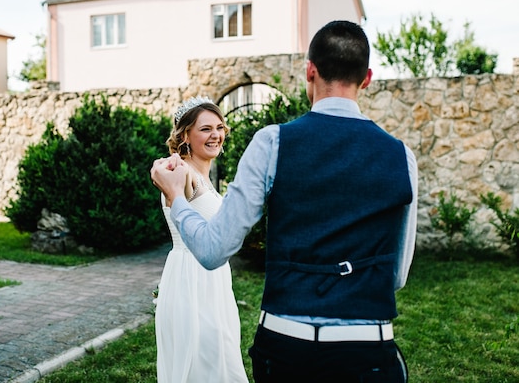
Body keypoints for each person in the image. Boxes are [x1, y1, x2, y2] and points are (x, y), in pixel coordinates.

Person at [151, 20, 418, 382]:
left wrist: (176, 200)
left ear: (310, 71)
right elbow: (397, 275)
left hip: (288, 346)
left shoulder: (272, 143)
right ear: (367, 77)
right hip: (367, 347)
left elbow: (215, 251)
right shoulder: (401, 156)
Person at [154, 96, 249, 383]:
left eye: (219, 127)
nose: (216, 135)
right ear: (185, 135)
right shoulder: (183, 172)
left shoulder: (203, 176)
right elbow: (164, 176)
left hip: (213, 279)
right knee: (203, 361)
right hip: (191, 280)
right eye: (205, 129)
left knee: (219, 355)